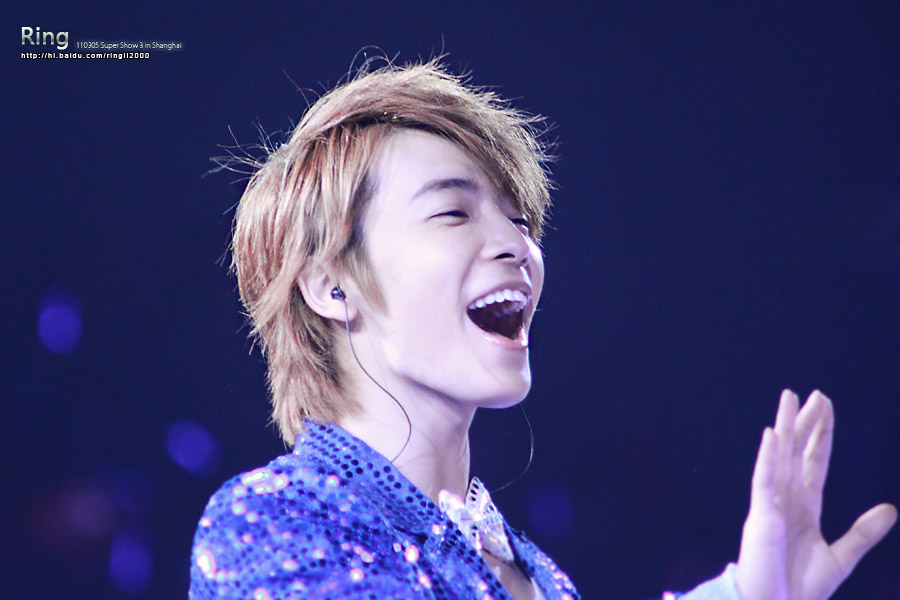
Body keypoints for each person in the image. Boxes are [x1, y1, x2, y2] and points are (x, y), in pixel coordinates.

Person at [189, 58, 896, 600]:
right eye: (454, 212)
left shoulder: (536, 575)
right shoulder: (279, 520)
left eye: (520, 220)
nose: (517, 246)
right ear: (330, 284)